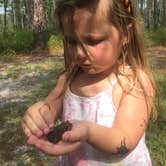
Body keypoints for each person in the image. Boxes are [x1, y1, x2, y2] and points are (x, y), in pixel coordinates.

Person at [22, 0, 157, 165]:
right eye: (72, 42)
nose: (79, 53)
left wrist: (88, 132)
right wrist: (38, 117)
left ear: (125, 35)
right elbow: (48, 109)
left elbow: (125, 139)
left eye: (93, 41)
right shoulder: (68, 79)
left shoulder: (132, 82)